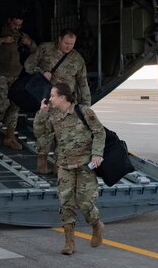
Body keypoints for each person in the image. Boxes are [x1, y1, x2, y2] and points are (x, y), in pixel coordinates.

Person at [35, 82, 106, 256]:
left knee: (84, 202)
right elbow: (40, 133)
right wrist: (41, 113)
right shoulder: (52, 115)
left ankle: (96, 224)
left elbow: (99, 132)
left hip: (84, 166)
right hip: (65, 165)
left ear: (62, 97)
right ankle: (69, 243)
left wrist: (97, 154)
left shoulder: (84, 112)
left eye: (52, 96)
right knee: (65, 203)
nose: (50, 99)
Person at [26, 29, 91, 173]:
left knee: (63, 135)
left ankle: (58, 166)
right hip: (48, 100)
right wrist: (42, 72)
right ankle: (41, 163)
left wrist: (86, 106)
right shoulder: (45, 49)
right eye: (66, 43)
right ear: (59, 39)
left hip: (66, 105)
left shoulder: (77, 59)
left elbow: (83, 83)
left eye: (72, 44)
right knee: (45, 133)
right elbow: (28, 65)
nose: (69, 46)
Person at [0, 14, 32, 150]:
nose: (17, 27)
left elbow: (36, 51)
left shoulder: (21, 35)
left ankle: (9, 136)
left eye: (19, 25)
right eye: (15, 24)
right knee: (2, 102)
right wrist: (2, 40)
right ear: (9, 21)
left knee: (15, 105)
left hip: (16, 75)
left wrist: (29, 43)